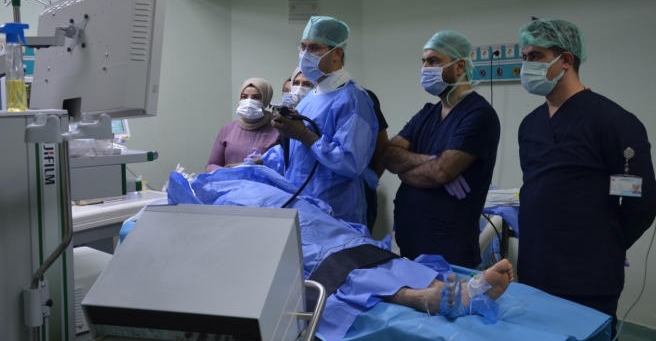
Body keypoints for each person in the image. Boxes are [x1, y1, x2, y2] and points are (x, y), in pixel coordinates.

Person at [162, 166, 513, 341]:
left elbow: (289, 186)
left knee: (363, 250)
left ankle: (446, 290)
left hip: (313, 219)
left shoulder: (245, 173)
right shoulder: (205, 191)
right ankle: (428, 296)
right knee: (338, 266)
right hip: (284, 231)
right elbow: (192, 213)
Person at [516, 18, 656, 337]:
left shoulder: (612, 121)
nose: (526, 65)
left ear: (565, 60)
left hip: (588, 274)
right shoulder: (530, 124)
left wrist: (607, 243)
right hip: (535, 265)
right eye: (524, 57)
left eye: (535, 56)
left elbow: (640, 201)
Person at [382, 30, 501, 268]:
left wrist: (405, 171)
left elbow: (442, 172)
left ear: (459, 67)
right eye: (424, 62)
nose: (425, 68)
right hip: (411, 239)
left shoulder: (478, 114)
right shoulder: (428, 112)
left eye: (434, 61)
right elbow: (388, 156)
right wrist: (431, 160)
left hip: (448, 245)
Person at [262, 16, 379, 225]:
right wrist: (260, 161)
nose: (305, 54)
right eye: (303, 47)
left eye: (314, 48)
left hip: (336, 211)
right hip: (302, 205)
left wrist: (305, 135)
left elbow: (350, 163)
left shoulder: (353, 99)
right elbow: (297, 155)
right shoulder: (311, 97)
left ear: (337, 53)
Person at [205, 78, 279, 172]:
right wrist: (229, 173)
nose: (249, 101)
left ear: (265, 100)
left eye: (256, 97)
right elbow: (211, 165)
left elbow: (284, 168)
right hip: (229, 180)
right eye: (244, 97)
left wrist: (263, 164)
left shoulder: (277, 131)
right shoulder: (227, 129)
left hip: (263, 181)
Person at [363, 89, 389, 233]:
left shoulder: (362, 96)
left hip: (358, 197)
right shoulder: (308, 103)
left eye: (306, 84)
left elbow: (382, 151)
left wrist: (369, 181)